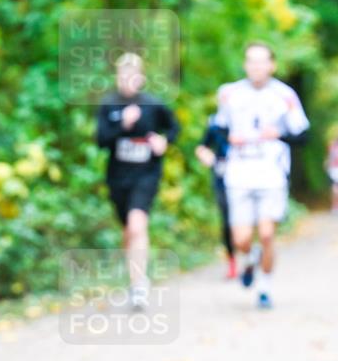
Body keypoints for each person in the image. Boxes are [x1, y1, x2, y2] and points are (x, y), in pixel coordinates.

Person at [214, 42, 309, 310]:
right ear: (245, 65)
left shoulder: (285, 95)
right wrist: (228, 140)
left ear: (272, 65)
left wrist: (278, 134)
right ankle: (251, 256)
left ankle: (265, 287)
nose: (256, 66)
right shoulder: (230, 93)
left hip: (271, 173)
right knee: (241, 239)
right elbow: (218, 129)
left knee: (267, 234)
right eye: (251, 61)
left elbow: (303, 134)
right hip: (239, 172)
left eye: (262, 61)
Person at [96, 53, 179, 309]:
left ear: (141, 78)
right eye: (124, 75)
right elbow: (100, 140)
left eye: (133, 75)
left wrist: (164, 142)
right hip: (118, 178)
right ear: (118, 77)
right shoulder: (109, 105)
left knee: (137, 225)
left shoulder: (153, 104)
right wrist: (122, 124)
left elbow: (174, 128)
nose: (128, 80)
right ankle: (135, 277)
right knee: (128, 231)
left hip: (147, 175)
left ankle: (139, 285)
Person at [195, 114, 236, 278]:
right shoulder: (215, 125)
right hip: (222, 180)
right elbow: (201, 147)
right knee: (226, 221)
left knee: (245, 220)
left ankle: (250, 253)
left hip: (247, 180)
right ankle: (232, 263)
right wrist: (210, 159)